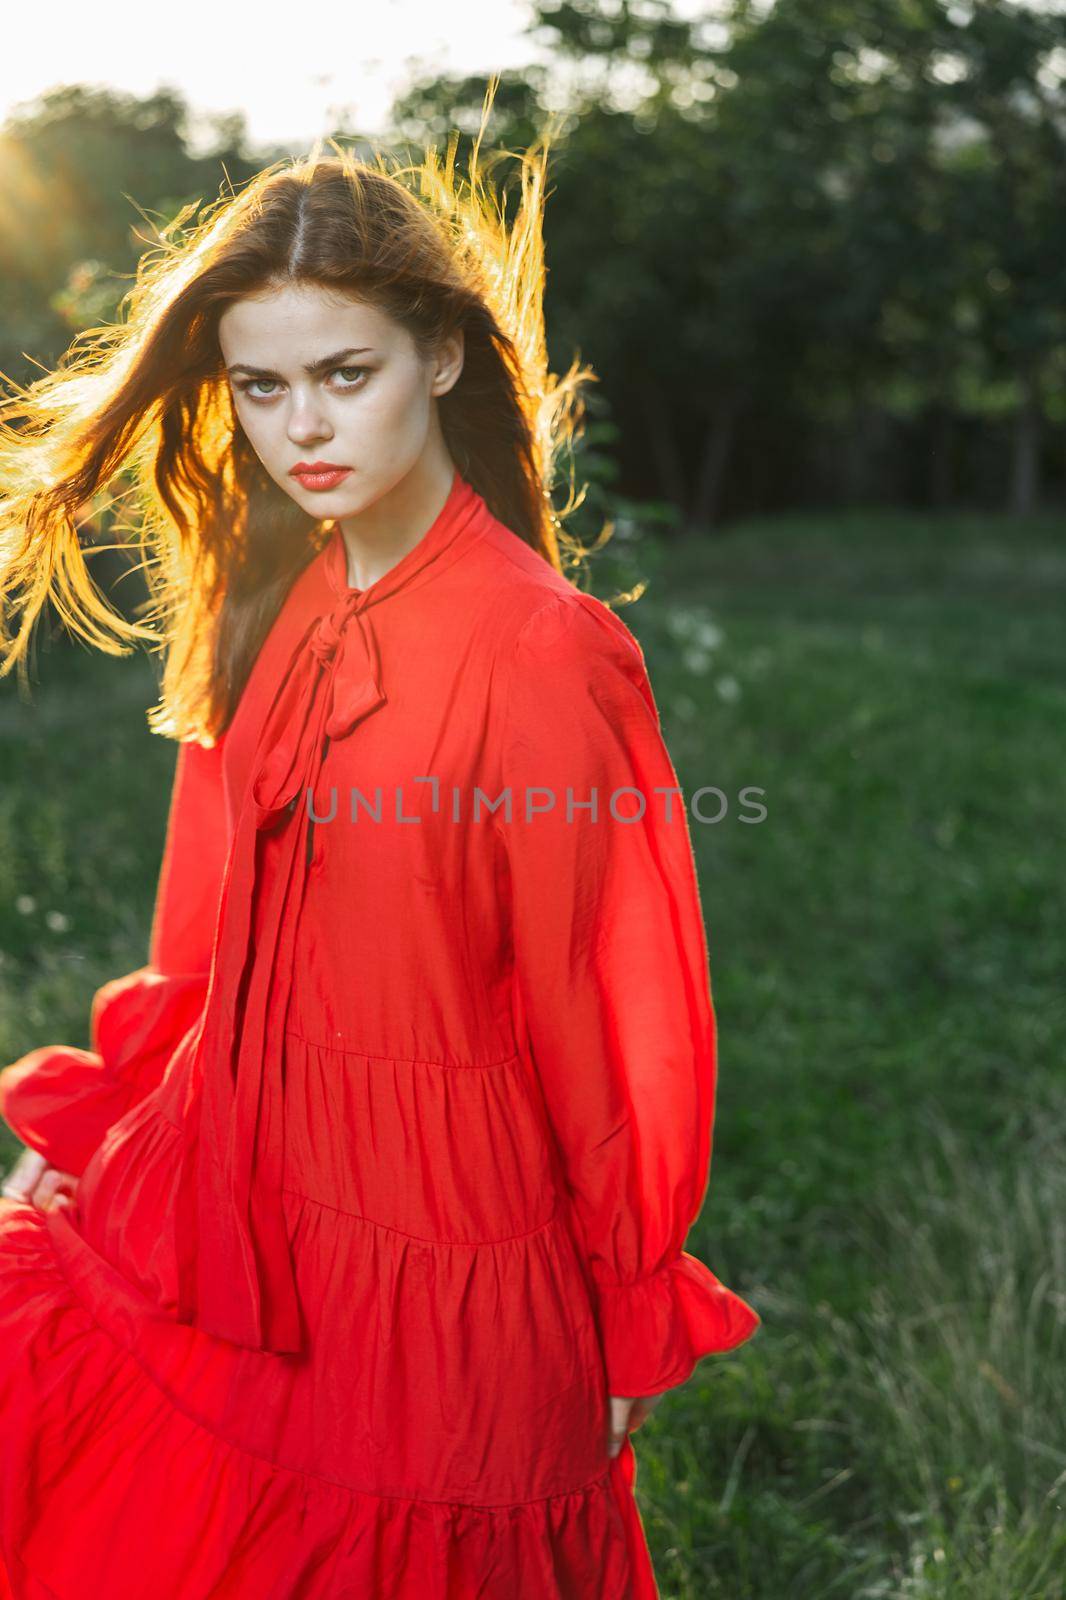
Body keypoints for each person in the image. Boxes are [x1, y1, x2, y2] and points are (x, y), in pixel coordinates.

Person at [0, 99, 760, 1600]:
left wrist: (623, 1298)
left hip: (445, 1251)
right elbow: (209, 938)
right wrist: (109, 1124)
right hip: (227, 1192)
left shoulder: (546, 654)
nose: (303, 432)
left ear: (444, 356)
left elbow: (606, 1021)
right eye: (262, 388)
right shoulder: (273, 598)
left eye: (344, 376)